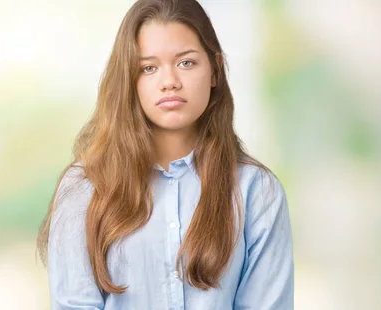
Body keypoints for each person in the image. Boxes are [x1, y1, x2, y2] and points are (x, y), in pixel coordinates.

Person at [36, 0, 294, 308]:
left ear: (214, 69)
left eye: (186, 63)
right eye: (148, 68)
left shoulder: (256, 191)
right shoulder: (83, 189)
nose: (169, 81)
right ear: (130, 81)